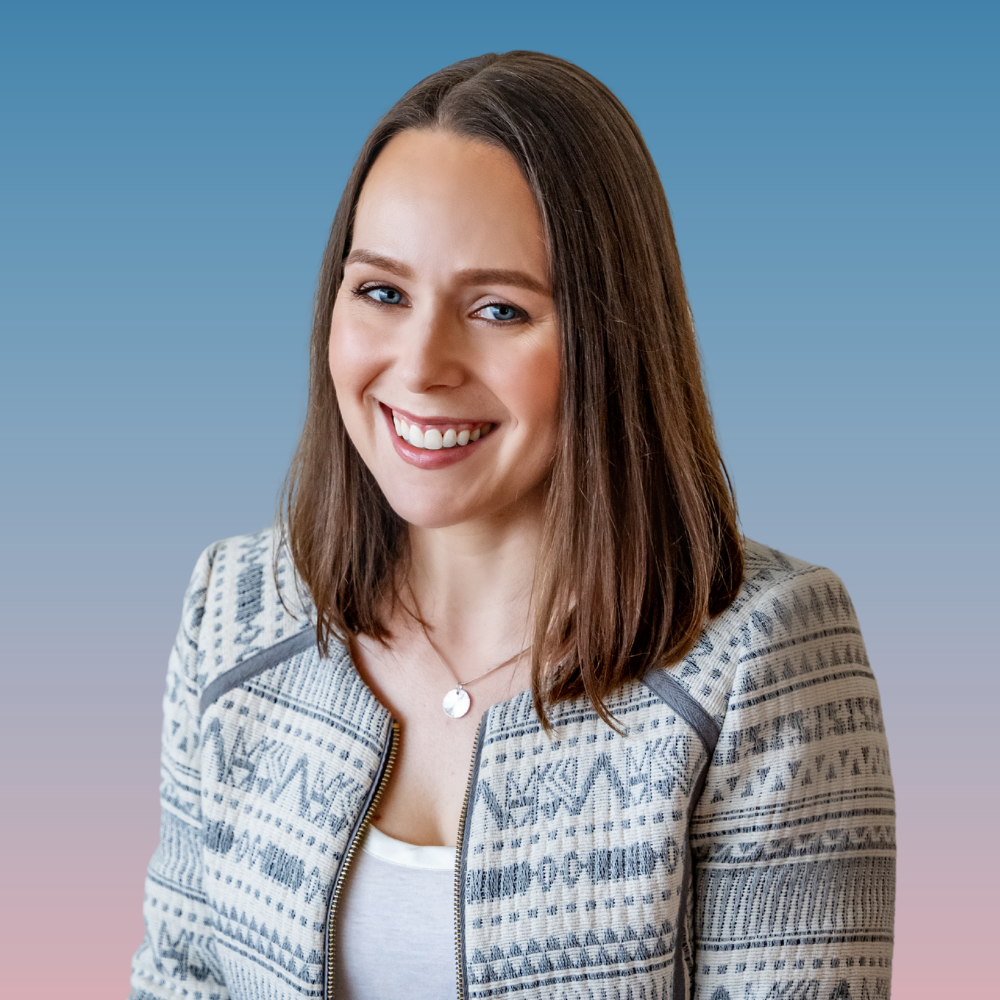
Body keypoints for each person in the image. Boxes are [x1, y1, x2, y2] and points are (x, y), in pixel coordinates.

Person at [129, 52, 895, 1000]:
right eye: (382, 292)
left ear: (611, 336)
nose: (421, 366)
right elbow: (182, 978)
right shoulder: (233, 609)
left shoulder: (764, 653)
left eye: (499, 309)